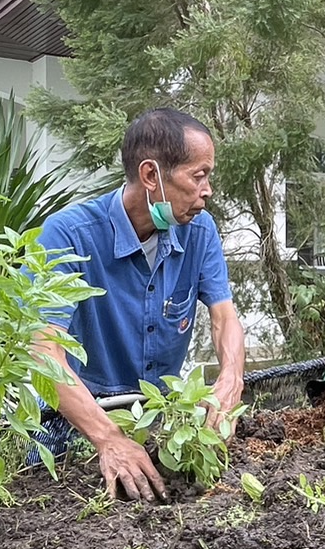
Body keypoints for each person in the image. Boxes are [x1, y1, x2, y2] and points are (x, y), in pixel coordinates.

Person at [32, 108, 245, 501]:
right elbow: (45, 354)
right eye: (198, 176)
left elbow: (224, 317)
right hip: (75, 420)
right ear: (150, 176)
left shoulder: (199, 231)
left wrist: (231, 377)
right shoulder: (69, 235)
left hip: (155, 413)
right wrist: (108, 438)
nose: (208, 189)